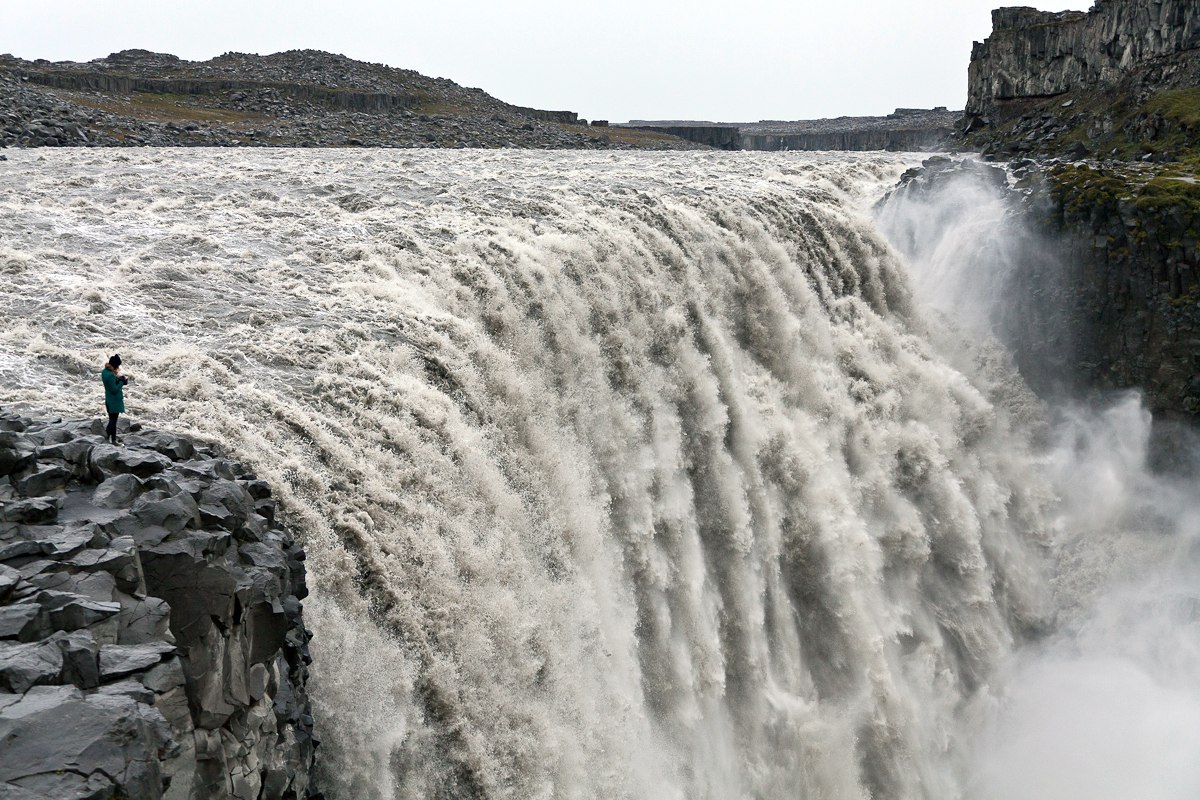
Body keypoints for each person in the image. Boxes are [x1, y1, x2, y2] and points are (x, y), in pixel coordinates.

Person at [101, 354, 132, 445]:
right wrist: (122, 382)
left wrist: (119, 379)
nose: (118, 367)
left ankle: (106, 436)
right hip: (114, 400)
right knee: (113, 421)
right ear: (115, 365)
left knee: (111, 419)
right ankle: (113, 441)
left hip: (108, 399)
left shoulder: (104, 372)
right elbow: (114, 389)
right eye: (118, 366)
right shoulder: (110, 375)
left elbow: (111, 383)